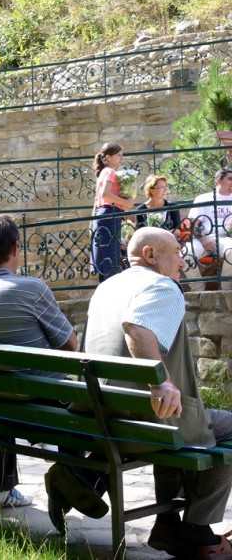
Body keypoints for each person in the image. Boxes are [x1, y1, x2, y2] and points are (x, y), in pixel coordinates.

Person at [84, 227, 232, 559]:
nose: (182, 262)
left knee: (173, 413)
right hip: (145, 421)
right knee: (205, 422)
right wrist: (160, 383)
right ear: (151, 255)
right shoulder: (161, 285)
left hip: (104, 417)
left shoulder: (107, 287)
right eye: (177, 252)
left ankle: (167, 522)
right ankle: (197, 528)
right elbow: (137, 327)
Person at [0, 215, 103, 516]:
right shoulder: (31, 289)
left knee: (5, 385)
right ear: (14, 248)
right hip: (45, 402)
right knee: (86, 403)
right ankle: (70, 476)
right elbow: (71, 345)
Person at [91, 142, 134, 282]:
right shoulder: (109, 172)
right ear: (108, 157)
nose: (122, 158)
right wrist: (126, 202)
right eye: (118, 155)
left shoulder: (104, 172)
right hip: (109, 214)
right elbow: (106, 195)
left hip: (107, 215)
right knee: (110, 255)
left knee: (107, 254)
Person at [187, 166, 232, 288]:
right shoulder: (203, 198)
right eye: (230, 179)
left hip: (226, 239)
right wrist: (203, 239)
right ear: (218, 181)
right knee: (186, 255)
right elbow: (193, 223)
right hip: (203, 238)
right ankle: (198, 291)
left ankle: (225, 291)